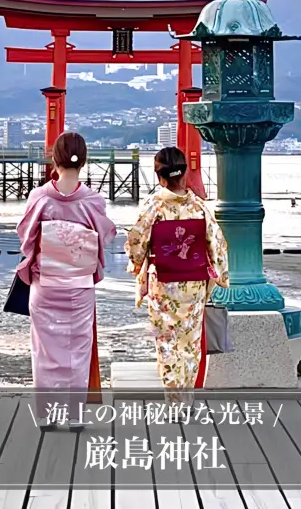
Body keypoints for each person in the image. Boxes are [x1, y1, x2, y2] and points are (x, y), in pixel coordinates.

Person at [16, 132, 116, 431]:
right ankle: (74, 415)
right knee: (78, 349)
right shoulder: (92, 201)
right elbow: (105, 238)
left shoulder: (40, 198)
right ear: (83, 160)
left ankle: (46, 414)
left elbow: (27, 238)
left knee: (44, 350)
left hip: (45, 283)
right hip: (78, 284)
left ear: (53, 158)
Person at [125, 146, 229, 411]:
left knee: (168, 344)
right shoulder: (199, 207)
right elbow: (217, 244)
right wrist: (220, 275)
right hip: (193, 284)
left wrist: (137, 263)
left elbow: (136, 240)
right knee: (190, 344)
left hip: (164, 283)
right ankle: (187, 401)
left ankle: (174, 404)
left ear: (160, 176)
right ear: (184, 173)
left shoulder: (154, 206)